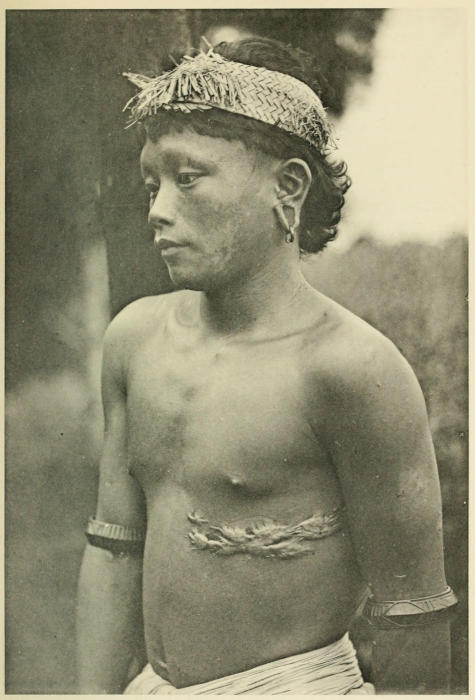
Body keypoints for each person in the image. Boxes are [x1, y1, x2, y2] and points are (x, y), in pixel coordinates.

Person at [76, 37, 457, 694]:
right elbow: (113, 550)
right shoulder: (135, 340)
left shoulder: (351, 369)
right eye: (151, 184)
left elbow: (412, 617)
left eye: (187, 178)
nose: (157, 211)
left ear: (288, 187)